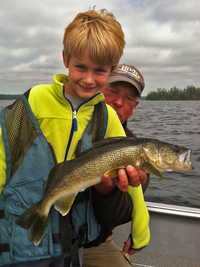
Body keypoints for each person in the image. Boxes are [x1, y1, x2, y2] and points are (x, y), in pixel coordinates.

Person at [0, 8, 149, 267]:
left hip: (71, 243)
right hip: (18, 240)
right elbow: (4, 154)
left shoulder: (109, 118)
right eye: (80, 67)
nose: (89, 79)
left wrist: (141, 229)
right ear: (65, 58)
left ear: (111, 69)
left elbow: (133, 182)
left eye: (100, 71)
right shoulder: (33, 101)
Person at [83, 63, 150, 267]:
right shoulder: (71, 127)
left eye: (129, 98)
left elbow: (116, 217)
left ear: (135, 107)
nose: (119, 102)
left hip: (94, 243)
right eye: (112, 91)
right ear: (99, 89)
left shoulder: (139, 153)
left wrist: (106, 190)